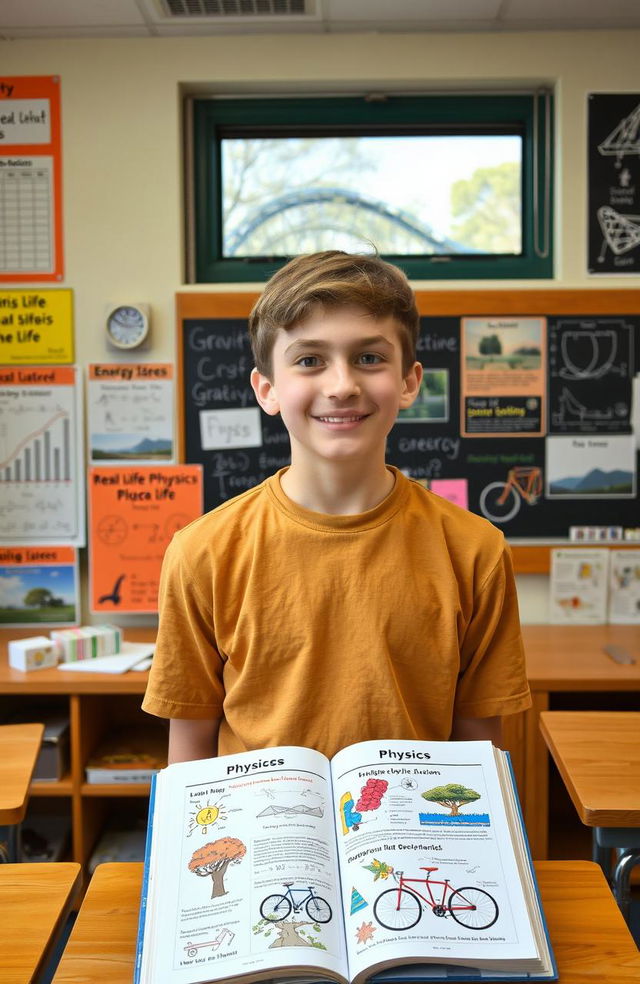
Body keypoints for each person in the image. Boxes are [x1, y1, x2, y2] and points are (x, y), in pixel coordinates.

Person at [142, 250, 531, 764]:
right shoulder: (203, 552)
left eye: (369, 358)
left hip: (416, 841)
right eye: (309, 360)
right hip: (261, 842)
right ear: (268, 389)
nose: (342, 385)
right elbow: (189, 748)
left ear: (411, 381)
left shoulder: (475, 550)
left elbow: (480, 748)